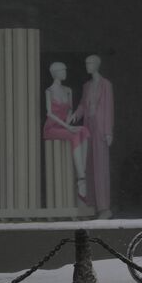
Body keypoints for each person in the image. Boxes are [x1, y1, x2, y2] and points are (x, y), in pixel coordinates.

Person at [71, 55, 114, 219]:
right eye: (86, 63)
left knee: (101, 168)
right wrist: (75, 114)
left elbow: (109, 108)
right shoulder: (87, 86)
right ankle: (92, 205)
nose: (87, 66)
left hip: (101, 129)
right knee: (89, 166)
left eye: (90, 63)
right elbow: (83, 104)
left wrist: (109, 131)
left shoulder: (106, 85)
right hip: (88, 128)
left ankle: (104, 207)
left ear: (97, 64)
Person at [43, 62, 90, 200]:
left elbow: (69, 109)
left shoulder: (68, 90)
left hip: (64, 126)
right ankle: (81, 179)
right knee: (75, 135)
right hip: (52, 128)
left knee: (84, 130)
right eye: (62, 70)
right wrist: (67, 126)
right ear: (55, 72)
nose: (65, 72)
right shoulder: (49, 91)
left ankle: (83, 172)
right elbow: (50, 114)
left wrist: (69, 121)